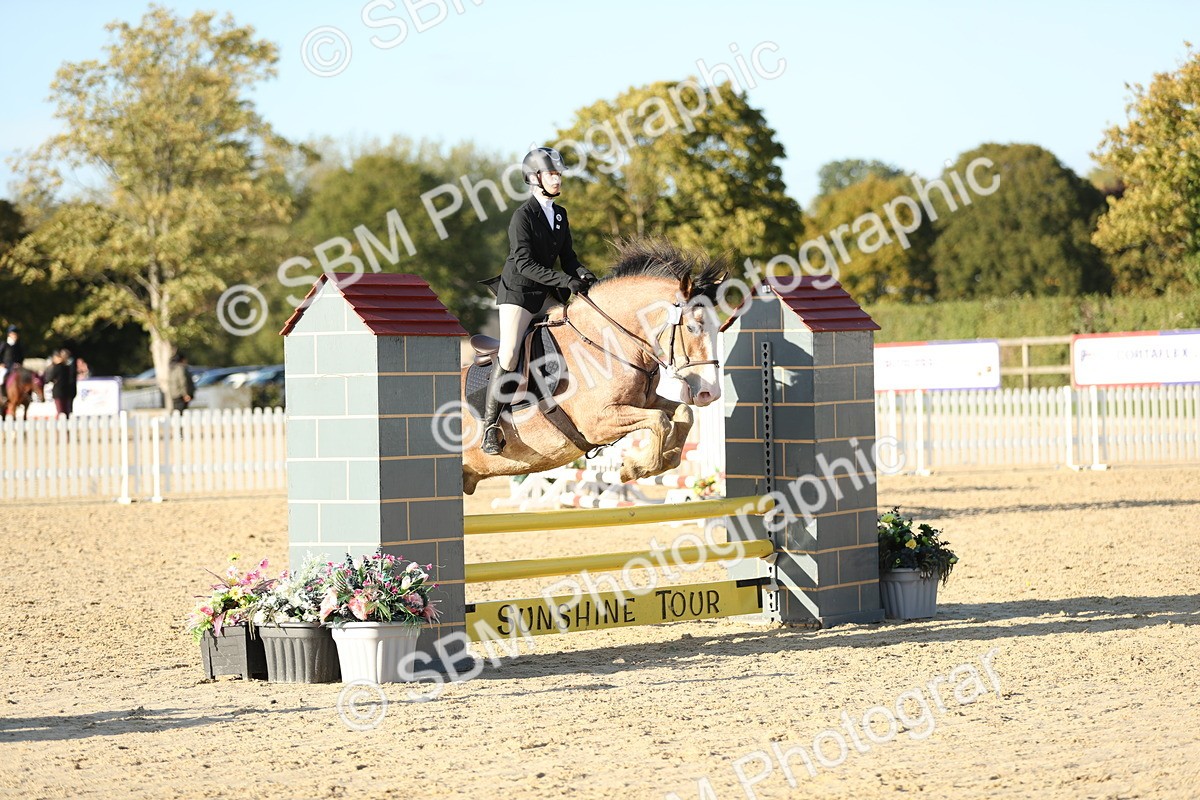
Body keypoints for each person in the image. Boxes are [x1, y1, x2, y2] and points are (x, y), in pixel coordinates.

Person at [478, 147, 597, 455]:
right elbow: (523, 264)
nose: (557, 179)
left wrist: (585, 276)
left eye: (558, 174)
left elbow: (568, 258)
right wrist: (564, 281)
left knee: (576, 327)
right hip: (518, 292)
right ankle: (490, 426)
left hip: (544, 291)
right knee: (510, 349)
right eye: (551, 174)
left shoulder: (560, 214)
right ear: (534, 178)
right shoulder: (523, 217)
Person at [44, 348, 78, 418]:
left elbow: (49, 378)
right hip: (67, 391)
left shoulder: (57, 367)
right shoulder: (68, 367)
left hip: (58, 391)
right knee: (67, 411)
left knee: (60, 411)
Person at [0, 325, 26, 394]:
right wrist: (1, 364)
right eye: (13, 334)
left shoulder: (18, 346)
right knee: (1, 378)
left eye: (16, 334)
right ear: (9, 335)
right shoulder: (4, 345)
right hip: (5, 367)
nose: (15, 336)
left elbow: (21, 357)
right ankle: (3, 395)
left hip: (16, 367)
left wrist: (19, 363)